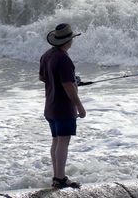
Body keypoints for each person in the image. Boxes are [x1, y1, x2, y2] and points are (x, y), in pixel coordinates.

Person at [39, 23, 86, 189]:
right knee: (63, 142)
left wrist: (72, 81)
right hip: (63, 108)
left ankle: (56, 176)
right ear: (69, 41)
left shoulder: (47, 55)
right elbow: (67, 86)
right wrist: (79, 106)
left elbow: (44, 78)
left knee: (56, 141)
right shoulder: (64, 59)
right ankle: (60, 178)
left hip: (50, 106)